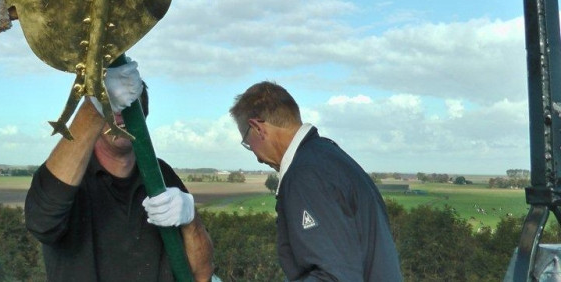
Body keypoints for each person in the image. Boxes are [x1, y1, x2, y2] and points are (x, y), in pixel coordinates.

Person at [25, 59, 215, 281]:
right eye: (112, 106)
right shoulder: (70, 177)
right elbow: (41, 223)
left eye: (128, 106)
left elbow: (202, 275)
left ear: (144, 114)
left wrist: (190, 219)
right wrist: (94, 107)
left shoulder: (161, 175)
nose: (119, 116)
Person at [229, 81, 402, 281]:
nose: (257, 158)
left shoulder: (305, 175)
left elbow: (333, 276)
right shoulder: (330, 158)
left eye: (247, 143)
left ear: (258, 128)